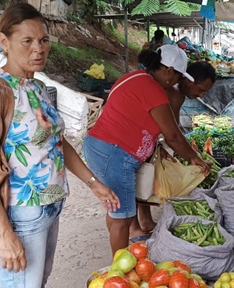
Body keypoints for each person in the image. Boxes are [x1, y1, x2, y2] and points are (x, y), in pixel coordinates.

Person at [0, 3, 120, 287]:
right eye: (27, 41)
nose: (39, 49)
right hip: (21, 213)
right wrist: (3, 233)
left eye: (44, 40)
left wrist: (93, 182)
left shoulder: (35, 87)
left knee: (37, 281)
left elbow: (56, 142)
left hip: (50, 206)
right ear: (4, 41)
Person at [83, 44, 211, 255]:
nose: (178, 82)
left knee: (116, 209)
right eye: (179, 77)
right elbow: (173, 136)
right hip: (114, 154)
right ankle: (120, 269)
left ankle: (120, 258)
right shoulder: (152, 89)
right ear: (169, 71)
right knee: (121, 217)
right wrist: (195, 158)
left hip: (105, 149)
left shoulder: (136, 77)